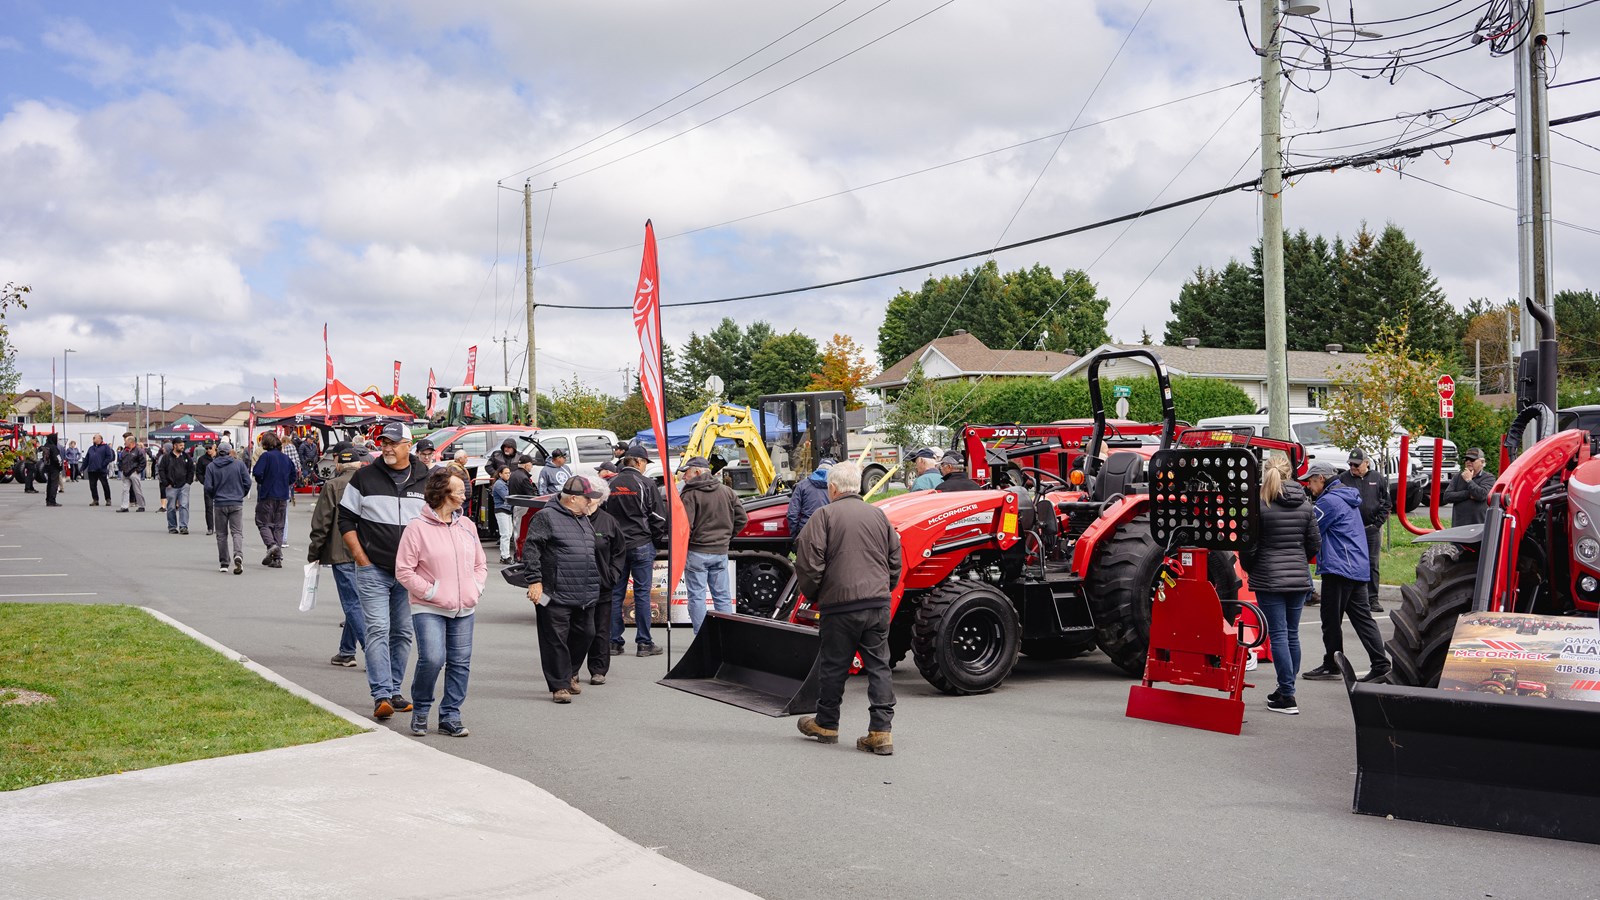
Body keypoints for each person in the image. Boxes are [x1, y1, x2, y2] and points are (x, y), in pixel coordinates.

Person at [793, 461, 902, 756]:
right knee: (879, 665)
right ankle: (881, 731)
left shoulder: (823, 515)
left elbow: (809, 562)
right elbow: (895, 560)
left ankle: (827, 724)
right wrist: (883, 588)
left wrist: (815, 594)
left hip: (840, 604)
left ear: (833, 488)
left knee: (834, 665)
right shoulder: (879, 515)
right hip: (876, 602)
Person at [339, 421, 430, 720]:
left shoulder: (425, 478)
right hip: (373, 569)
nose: (387, 448)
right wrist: (360, 557)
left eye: (393, 442)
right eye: (383, 442)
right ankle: (381, 696)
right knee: (378, 629)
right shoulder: (364, 476)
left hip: (409, 573)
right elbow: (346, 520)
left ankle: (394, 691)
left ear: (408, 445)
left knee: (403, 633)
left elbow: (435, 523)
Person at [395, 469, 485, 737]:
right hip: (429, 607)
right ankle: (421, 709)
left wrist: (475, 587)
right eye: (458, 490)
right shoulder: (417, 528)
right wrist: (432, 592)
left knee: (460, 662)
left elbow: (480, 564)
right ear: (441, 494)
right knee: (433, 658)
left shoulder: (467, 526)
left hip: (464, 607)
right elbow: (404, 570)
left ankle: (450, 716)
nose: (463, 495)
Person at [1240, 454, 1320, 715]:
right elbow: (1314, 545)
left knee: (1278, 635)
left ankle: (1287, 695)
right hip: (1298, 576)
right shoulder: (1306, 505)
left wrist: (1252, 567)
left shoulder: (1259, 505)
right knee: (1292, 634)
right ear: (1290, 474)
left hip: (1269, 577)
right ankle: (1286, 688)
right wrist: (1298, 560)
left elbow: (1248, 546)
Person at [1301, 460, 1389, 683]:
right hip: (1356, 566)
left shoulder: (1329, 501)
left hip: (1339, 568)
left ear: (1321, 478)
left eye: (1311, 482)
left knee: (1330, 619)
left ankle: (1332, 664)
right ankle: (1381, 664)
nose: (1309, 487)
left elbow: (1310, 528)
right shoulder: (1346, 496)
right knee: (1363, 619)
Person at [522, 476, 607, 703]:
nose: (590, 502)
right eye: (587, 498)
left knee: (587, 634)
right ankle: (559, 685)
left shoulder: (583, 519)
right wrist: (534, 580)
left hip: (584, 592)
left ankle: (569, 673)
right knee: (555, 639)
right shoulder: (546, 517)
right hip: (554, 592)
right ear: (572, 499)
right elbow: (531, 549)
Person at [603, 444, 668, 656]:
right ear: (639, 462)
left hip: (616, 547)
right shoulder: (646, 484)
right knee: (641, 595)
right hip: (641, 544)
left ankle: (613, 641)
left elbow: (601, 516)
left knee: (615, 594)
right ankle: (644, 643)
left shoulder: (610, 484)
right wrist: (654, 540)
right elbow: (659, 518)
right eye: (644, 463)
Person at [309, 442, 368, 667]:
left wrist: (314, 551)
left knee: (352, 603)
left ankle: (372, 654)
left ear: (338, 462)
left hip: (341, 551)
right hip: (367, 551)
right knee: (358, 602)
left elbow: (321, 523)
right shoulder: (369, 483)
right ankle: (346, 651)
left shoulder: (333, 485)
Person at [679, 455, 748, 633]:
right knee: (723, 596)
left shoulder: (690, 493)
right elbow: (742, 518)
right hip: (720, 551)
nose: (683, 477)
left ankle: (702, 640)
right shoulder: (726, 491)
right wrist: (727, 536)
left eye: (686, 472)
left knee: (697, 597)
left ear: (696, 472)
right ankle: (726, 637)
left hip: (697, 551)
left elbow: (685, 526)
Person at [581, 483, 627, 686]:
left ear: (601, 499)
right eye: (587, 495)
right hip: (576, 586)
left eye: (594, 496)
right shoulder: (573, 518)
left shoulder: (609, 522)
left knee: (601, 630)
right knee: (579, 629)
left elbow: (619, 551)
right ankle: (572, 669)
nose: (590, 499)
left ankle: (598, 670)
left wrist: (613, 574)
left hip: (602, 586)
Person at [1337, 448, 1391, 614]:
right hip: (1350, 531)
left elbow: (1387, 503)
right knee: (1349, 562)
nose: (1353, 467)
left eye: (1356, 464)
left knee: (1372, 564)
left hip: (1370, 530)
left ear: (1366, 463)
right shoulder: (1343, 479)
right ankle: (1350, 599)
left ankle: (1372, 599)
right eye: (1351, 464)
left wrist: (1377, 524)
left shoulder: (1377, 478)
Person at [204, 441, 251, 574]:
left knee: (221, 534)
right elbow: (247, 482)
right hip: (236, 502)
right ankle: (238, 554)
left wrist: (214, 495)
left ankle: (224, 562)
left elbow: (207, 486)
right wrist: (241, 494)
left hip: (219, 503)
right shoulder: (239, 464)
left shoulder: (211, 466)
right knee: (237, 532)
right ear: (230, 451)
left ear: (218, 451)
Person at [251, 432, 296, 567]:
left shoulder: (266, 456)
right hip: (282, 495)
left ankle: (272, 545)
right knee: (278, 525)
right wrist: (285, 483)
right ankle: (277, 558)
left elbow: (257, 472)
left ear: (266, 444)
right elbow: (294, 475)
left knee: (263, 522)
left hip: (268, 493)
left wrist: (263, 481)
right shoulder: (286, 459)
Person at [1441, 448, 1495, 528]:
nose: (1468, 461)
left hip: (1479, 526)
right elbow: (1447, 496)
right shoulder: (1458, 477)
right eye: (1466, 459)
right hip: (1459, 526)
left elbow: (1482, 495)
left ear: (1482, 462)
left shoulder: (1489, 478)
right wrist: (1468, 494)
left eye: (1472, 459)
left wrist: (1469, 480)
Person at [787, 458, 834, 535]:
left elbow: (792, 513)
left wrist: (796, 536)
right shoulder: (836, 487)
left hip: (807, 530)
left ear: (817, 468)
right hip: (829, 531)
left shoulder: (802, 485)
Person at [162, 443, 195, 534]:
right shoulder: (167, 457)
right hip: (171, 486)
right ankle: (172, 526)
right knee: (171, 507)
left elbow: (191, 469)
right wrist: (166, 483)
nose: (182, 447)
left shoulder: (186, 457)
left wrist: (188, 482)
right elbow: (161, 470)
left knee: (184, 505)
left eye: (183, 445)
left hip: (184, 485)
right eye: (180, 445)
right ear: (174, 446)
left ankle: (183, 526)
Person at [116, 434, 147, 512]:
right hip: (125, 473)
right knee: (125, 490)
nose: (124, 443)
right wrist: (121, 469)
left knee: (137, 490)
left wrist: (138, 470)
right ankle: (124, 507)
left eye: (126, 442)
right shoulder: (124, 451)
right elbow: (121, 461)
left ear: (131, 443)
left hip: (134, 472)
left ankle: (141, 505)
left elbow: (143, 462)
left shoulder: (138, 451)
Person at [492, 463, 515, 564]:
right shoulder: (499, 484)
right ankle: (505, 556)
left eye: (509, 473)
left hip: (506, 510)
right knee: (505, 534)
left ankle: (504, 555)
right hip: (502, 510)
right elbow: (506, 497)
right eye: (506, 473)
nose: (508, 475)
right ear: (500, 474)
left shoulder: (505, 483)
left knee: (508, 533)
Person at [84, 434, 114, 507]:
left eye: (95, 438)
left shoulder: (106, 447)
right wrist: (82, 468)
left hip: (101, 470)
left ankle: (108, 499)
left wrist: (102, 465)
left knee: (105, 485)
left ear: (100, 439)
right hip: (92, 470)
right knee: (92, 486)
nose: (93, 439)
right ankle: (95, 500)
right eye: (93, 438)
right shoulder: (91, 448)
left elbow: (109, 457)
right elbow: (87, 458)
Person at [193, 442, 217, 534]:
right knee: (209, 507)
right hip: (208, 486)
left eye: (210, 448)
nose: (208, 450)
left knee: (220, 508)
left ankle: (219, 528)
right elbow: (199, 472)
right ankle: (210, 528)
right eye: (206, 448)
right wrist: (204, 482)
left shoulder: (220, 458)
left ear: (215, 447)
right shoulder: (202, 459)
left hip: (220, 486)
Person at [41, 434, 63, 507]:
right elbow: (58, 459)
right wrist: (60, 467)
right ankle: (52, 501)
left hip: (47, 467)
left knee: (49, 484)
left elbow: (43, 457)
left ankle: (48, 500)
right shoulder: (54, 447)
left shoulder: (46, 446)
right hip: (54, 468)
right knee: (54, 484)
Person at [154, 440, 172, 512]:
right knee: (163, 492)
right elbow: (157, 466)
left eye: (164, 448)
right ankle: (163, 506)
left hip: (171, 477)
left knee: (173, 492)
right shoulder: (161, 456)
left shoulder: (172, 457)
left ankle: (176, 505)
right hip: (162, 477)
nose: (163, 449)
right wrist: (157, 474)